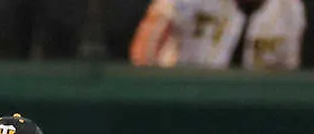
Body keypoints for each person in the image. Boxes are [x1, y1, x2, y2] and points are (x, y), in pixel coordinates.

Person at [130, 0, 306, 70]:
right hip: (183, 95)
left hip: (250, 108)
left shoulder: (289, 8)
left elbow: (286, 73)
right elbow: (144, 47)